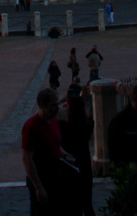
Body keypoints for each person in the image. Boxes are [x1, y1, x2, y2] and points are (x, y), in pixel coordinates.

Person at [22, 87, 71, 214]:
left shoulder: (54, 122)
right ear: (42, 105)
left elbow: (55, 144)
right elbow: (27, 159)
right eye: (53, 105)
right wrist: (38, 186)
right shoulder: (31, 126)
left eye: (57, 104)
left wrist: (63, 154)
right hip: (41, 177)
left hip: (55, 175)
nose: (56, 108)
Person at [60, 84, 95, 216]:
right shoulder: (87, 125)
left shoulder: (64, 127)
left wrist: (61, 101)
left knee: (73, 206)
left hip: (71, 167)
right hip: (85, 166)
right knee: (87, 203)